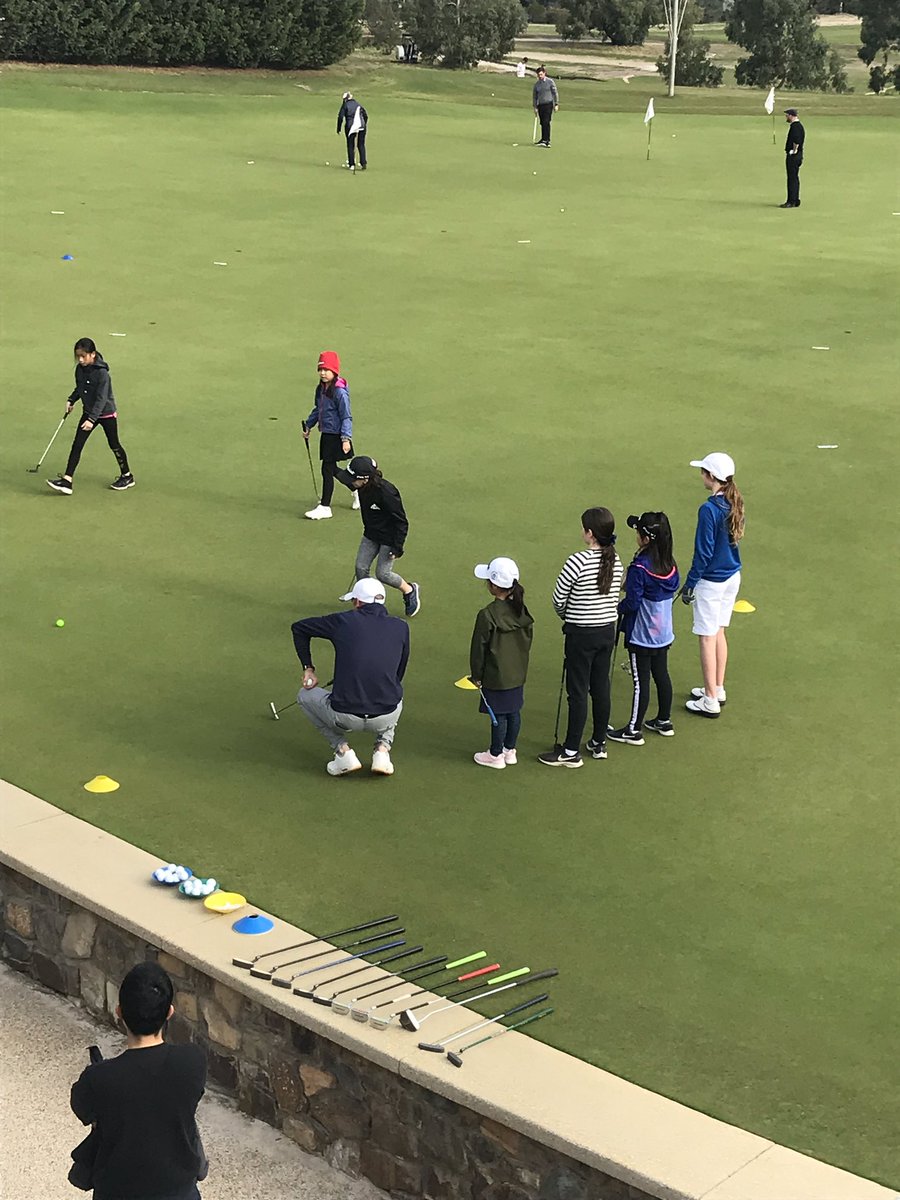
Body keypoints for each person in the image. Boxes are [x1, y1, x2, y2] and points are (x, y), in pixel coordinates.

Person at [70, 962, 207, 1200]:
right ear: (169, 1013)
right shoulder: (193, 1061)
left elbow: (83, 1108)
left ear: (119, 1011)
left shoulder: (98, 1079)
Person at [291, 577, 410, 776]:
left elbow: (299, 628)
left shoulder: (342, 621)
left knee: (304, 695)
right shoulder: (401, 627)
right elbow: (399, 672)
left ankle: (342, 751)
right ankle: (382, 749)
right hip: (386, 715)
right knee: (396, 692)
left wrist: (308, 668)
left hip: (344, 717)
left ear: (358, 602)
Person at [539, 508, 624, 767]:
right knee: (600, 687)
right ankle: (598, 742)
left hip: (581, 633)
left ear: (590, 533)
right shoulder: (616, 560)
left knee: (577, 691)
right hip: (606, 631)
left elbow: (558, 601)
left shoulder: (577, 561)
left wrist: (570, 616)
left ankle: (570, 750)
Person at [680, 453, 745, 718]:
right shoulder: (734, 502)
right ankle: (717, 688)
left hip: (712, 581)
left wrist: (690, 583)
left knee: (707, 636)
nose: (701, 476)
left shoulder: (708, 509)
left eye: (703, 472)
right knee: (718, 631)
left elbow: (703, 552)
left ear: (711, 477)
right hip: (732, 576)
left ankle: (709, 700)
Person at [608, 512, 680, 745]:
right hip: (663, 632)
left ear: (647, 538)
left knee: (640, 682)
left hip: (642, 634)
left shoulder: (641, 567)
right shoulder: (669, 562)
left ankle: (633, 730)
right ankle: (664, 719)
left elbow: (632, 603)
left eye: (639, 532)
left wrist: (614, 608)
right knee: (661, 674)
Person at [469, 557, 534, 769]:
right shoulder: (522, 611)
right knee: (513, 711)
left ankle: (495, 754)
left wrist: (476, 675)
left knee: (498, 714)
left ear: (494, 585)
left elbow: (478, 649)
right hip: (517, 672)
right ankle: (509, 750)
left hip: (495, 674)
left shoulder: (487, 615)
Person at [48, 338, 133, 495]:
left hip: (106, 414)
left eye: (84, 356)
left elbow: (101, 399)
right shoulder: (80, 369)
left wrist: (91, 420)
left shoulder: (102, 374)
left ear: (93, 354)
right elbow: (81, 387)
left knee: (114, 444)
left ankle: (127, 476)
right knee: (77, 444)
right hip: (89, 413)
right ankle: (67, 480)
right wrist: (71, 399)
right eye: (78, 356)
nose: (80, 360)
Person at [347, 455, 421, 617]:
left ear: (365, 479)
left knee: (383, 574)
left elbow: (401, 521)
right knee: (361, 568)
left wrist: (397, 547)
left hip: (389, 538)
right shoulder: (361, 485)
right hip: (371, 534)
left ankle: (409, 590)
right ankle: (365, 604)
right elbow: (342, 476)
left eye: (353, 478)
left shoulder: (386, 492)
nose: (350, 481)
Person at [302, 350, 358, 520]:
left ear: (335, 371)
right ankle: (356, 489)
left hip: (337, 435)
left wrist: (345, 438)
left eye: (327, 370)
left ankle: (325, 506)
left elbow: (346, 416)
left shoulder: (339, 392)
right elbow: (318, 410)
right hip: (326, 433)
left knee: (327, 469)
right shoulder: (321, 389)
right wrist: (309, 425)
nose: (323, 373)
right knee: (331, 468)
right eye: (320, 370)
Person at [337, 91, 368, 172]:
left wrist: (338, 128)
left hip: (350, 127)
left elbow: (340, 117)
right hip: (362, 126)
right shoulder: (358, 104)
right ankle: (363, 163)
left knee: (350, 145)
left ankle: (352, 164)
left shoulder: (345, 105)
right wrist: (364, 124)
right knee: (361, 144)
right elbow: (365, 115)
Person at [781, 108, 805, 208]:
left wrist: (793, 151)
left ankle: (791, 201)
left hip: (794, 156)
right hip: (797, 156)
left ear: (791, 116)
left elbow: (796, 140)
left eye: (787, 116)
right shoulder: (798, 126)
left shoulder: (795, 127)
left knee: (791, 178)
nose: (786, 117)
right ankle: (795, 199)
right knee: (794, 178)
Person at [532, 66, 559, 147]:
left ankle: (547, 140)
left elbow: (555, 93)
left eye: (541, 74)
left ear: (544, 73)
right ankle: (543, 139)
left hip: (548, 104)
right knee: (542, 122)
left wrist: (556, 104)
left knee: (546, 122)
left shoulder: (550, 82)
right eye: (538, 75)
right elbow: (534, 96)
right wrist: (535, 107)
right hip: (540, 105)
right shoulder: (537, 84)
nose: (540, 76)